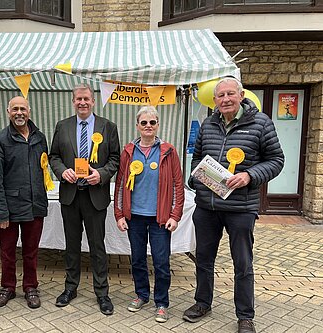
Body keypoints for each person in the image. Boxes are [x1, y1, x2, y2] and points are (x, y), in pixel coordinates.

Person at [183, 77, 284, 333]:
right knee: (204, 259)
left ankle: (245, 316)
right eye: (221, 96)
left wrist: (250, 176)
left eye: (230, 94)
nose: (225, 99)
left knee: (243, 263)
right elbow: (197, 158)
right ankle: (202, 303)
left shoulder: (261, 123)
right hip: (207, 206)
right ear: (214, 100)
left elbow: (276, 160)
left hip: (241, 208)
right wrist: (197, 177)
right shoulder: (208, 124)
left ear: (241, 95)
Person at [49, 83, 120, 315]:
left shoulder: (108, 127)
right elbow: (54, 156)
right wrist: (62, 172)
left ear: (93, 101)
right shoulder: (62, 126)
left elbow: (115, 159)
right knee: (71, 245)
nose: (82, 103)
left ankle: (102, 292)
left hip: (95, 196)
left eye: (86, 99)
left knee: (98, 246)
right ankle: (71, 288)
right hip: (70, 195)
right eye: (78, 99)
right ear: (73, 101)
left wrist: (101, 174)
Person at [114, 106, 184, 323]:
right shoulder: (128, 151)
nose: (148, 126)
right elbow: (119, 185)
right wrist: (119, 214)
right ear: (137, 126)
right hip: (134, 216)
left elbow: (177, 185)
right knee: (137, 260)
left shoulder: (168, 151)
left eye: (152, 122)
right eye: (143, 123)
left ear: (157, 125)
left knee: (161, 262)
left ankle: (161, 302)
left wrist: (175, 215)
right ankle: (141, 295)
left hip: (160, 218)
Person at [0, 96, 49, 309]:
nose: (19, 113)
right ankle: (7, 287)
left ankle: (31, 287)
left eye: (23, 109)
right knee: (7, 251)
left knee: (31, 251)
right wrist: (0, 212)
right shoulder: (0, 139)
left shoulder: (39, 137)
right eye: (15, 109)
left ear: (29, 111)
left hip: (35, 205)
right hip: (10, 208)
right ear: (8, 111)